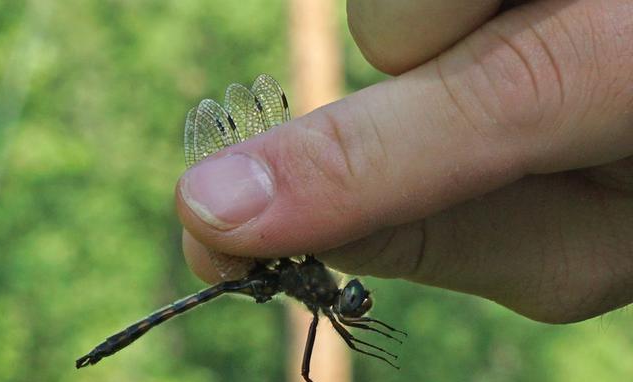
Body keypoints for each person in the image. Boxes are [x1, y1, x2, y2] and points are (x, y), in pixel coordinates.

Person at [176, 0, 633, 324]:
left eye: (355, 300)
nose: (357, 299)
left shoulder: (315, 272)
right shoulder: (313, 267)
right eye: (358, 300)